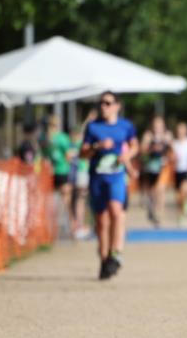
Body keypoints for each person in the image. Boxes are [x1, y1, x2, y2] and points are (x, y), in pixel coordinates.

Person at [80, 91, 138, 280]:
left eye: (107, 103)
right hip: (97, 178)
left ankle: (116, 253)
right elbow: (83, 153)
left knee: (116, 211)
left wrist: (127, 156)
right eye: (101, 103)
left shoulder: (126, 126)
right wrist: (97, 147)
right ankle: (104, 260)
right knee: (101, 222)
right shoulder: (93, 127)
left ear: (117, 106)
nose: (103, 106)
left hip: (117, 177)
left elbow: (135, 146)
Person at [42, 114, 73, 236]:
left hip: (50, 172)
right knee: (66, 199)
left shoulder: (45, 137)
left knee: (53, 199)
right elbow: (69, 155)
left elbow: (44, 155)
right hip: (62, 171)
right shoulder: (62, 138)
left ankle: (53, 224)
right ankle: (68, 225)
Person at [140, 116, 171, 228]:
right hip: (151, 167)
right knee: (152, 192)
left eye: (160, 125)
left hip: (163, 167)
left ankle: (159, 215)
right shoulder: (148, 135)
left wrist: (166, 144)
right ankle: (152, 209)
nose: (158, 128)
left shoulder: (167, 135)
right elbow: (142, 150)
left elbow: (172, 150)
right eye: (155, 125)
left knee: (161, 189)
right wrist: (151, 149)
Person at [67, 124, 90, 239]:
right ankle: (79, 226)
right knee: (80, 201)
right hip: (81, 174)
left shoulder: (70, 145)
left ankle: (75, 225)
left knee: (73, 201)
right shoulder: (81, 145)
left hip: (72, 175)